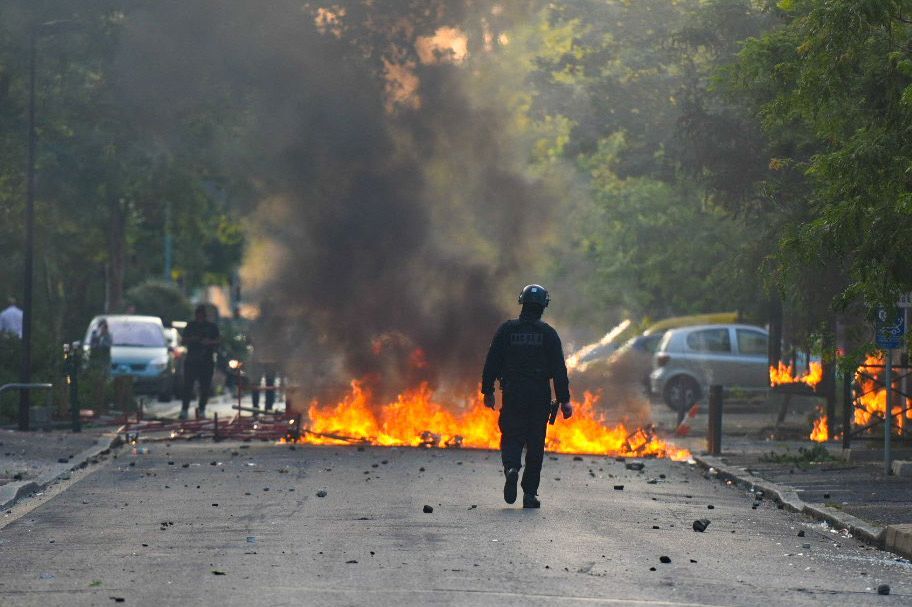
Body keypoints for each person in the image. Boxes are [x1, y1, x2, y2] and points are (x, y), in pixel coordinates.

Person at [481, 284, 572, 509]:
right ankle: (530, 494)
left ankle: (512, 468)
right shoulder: (548, 334)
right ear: (543, 306)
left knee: (511, 435)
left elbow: (492, 361)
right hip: (539, 395)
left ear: (522, 302)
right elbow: (559, 370)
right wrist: (565, 400)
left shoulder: (507, 330)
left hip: (513, 393)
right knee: (535, 444)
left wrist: (488, 390)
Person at [180, 305, 220, 419]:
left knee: (205, 387)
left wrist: (209, 342)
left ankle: (201, 409)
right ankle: (184, 409)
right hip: (192, 360)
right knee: (188, 386)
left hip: (206, 360)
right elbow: (183, 340)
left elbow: (218, 341)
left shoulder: (211, 327)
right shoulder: (191, 326)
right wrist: (194, 339)